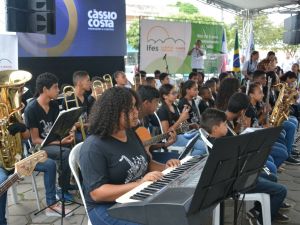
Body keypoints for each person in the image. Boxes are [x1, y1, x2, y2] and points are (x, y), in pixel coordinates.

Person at [79, 87, 180, 225]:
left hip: (136, 194)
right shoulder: (93, 147)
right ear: (113, 112)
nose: (136, 111)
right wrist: (139, 184)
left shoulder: (130, 133)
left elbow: (147, 164)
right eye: (130, 108)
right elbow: (97, 193)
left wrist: (168, 168)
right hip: (107, 207)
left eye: (135, 107)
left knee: (175, 210)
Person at [200, 108, 289, 223]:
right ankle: (261, 220)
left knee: (272, 177)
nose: (227, 126)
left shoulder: (216, 140)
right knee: (282, 190)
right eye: (224, 124)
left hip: (238, 177)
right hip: (236, 183)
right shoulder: (219, 146)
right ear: (215, 129)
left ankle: (257, 210)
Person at [24, 72, 75, 202]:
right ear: (45, 89)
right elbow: (35, 140)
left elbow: (57, 128)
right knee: (65, 153)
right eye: (55, 87)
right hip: (39, 147)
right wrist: (59, 142)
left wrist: (69, 130)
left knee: (74, 146)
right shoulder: (31, 109)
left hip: (53, 142)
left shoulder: (53, 105)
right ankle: (61, 189)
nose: (58, 90)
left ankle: (66, 183)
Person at [157, 84, 207, 155]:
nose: (176, 95)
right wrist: (181, 119)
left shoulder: (174, 107)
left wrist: (189, 124)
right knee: (204, 147)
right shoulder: (162, 110)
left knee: (205, 139)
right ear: (165, 96)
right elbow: (167, 134)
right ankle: (185, 160)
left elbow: (184, 127)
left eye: (176, 92)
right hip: (172, 139)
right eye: (173, 93)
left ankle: (188, 157)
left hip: (182, 135)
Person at [137, 85, 177, 162]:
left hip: (147, 157)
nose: (158, 105)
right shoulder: (132, 124)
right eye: (156, 102)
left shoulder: (145, 119)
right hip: (141, 161)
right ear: (146, 103)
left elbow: (147, 145)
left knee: (178, 159)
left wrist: (165, 144)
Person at [63, 71, 91, 142]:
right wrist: (87, 124)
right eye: (88, 80)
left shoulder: (85, 96)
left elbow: (88, 115)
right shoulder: (69, 99)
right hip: (75, 133)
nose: (90, 83)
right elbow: (67, 124)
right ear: (79, 83)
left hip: (86, 130)